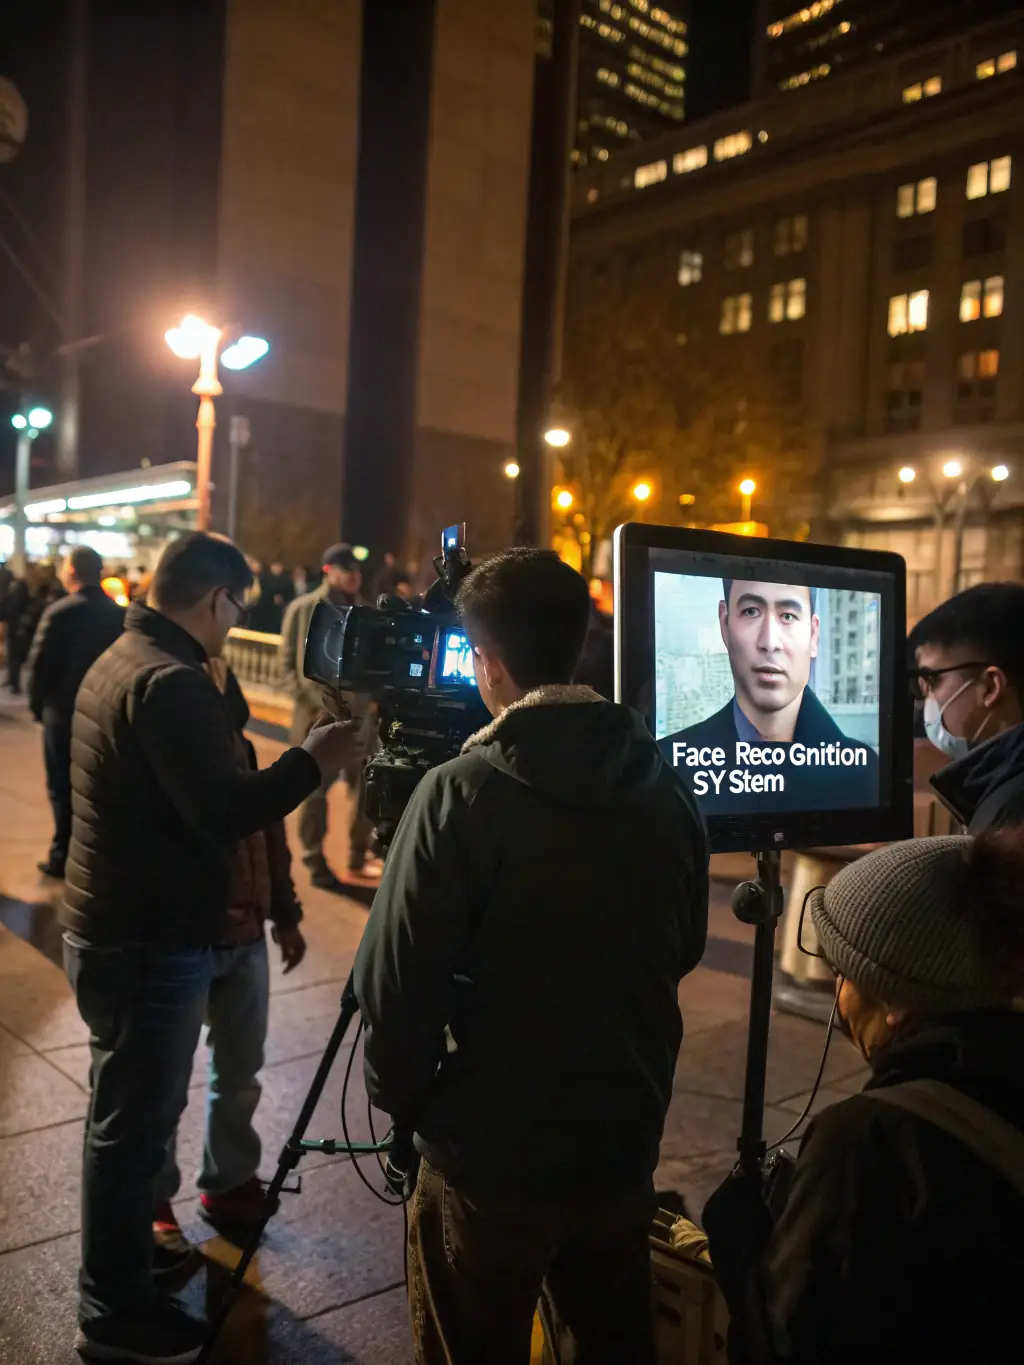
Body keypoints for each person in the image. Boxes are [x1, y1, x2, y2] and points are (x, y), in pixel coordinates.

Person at [354, 547, 709, 1365]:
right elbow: (681, 946)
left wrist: (413, 1112)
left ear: (487, 661)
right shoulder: (664, 783)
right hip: (622, 1144)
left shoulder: (459, 792)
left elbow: (396, 988)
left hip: (488, 1160)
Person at [61, 531, 356, 1364]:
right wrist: (313, 760)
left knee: (123, 1125)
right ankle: (114, 1313)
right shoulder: (171, 683)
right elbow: (226, 810)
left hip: (115, 928)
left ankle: (123, 1278)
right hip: (149, 940)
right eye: (238, 609)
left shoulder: (126, 655)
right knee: (132, 1132)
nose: (236, 625)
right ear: (219, 599)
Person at [704, 831, 1024, 1365]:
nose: (838, 995)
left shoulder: (868, 1141)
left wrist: (743, 1252)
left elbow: (790, 1344)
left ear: (895, 1000)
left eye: (842, 972)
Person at [154, 654, 307, 1267]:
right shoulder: (166, 752)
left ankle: (229, 1182)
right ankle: (151, 1201)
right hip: (185, 937)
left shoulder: (239, 747)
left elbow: (268, 830)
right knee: (161, 1086)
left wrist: (287, 913)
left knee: (240, 1073)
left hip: (245, 936)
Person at [658, 579, 879, 812]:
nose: (770, 642)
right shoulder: (668, 766)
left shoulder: (861, 772)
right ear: (724, 624)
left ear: (813, 635)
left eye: (788, 616)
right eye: (751, 612)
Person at [280, 543, 377, 886]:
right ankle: (313, 859)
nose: (353, 576)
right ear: (328, 571)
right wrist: (314, 704)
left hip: (362, 718)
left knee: (369, 787)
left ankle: (358, 854)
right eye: (345, 569)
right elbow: (288, 665)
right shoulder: (305, 609)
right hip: (316, 718)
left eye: (356, 570)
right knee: (314, 792)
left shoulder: (367, 610)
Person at [26, 547, 125, 880]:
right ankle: (97, 858)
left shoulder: (59, 613)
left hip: (63, 715)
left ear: (70, 572)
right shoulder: (118, 616)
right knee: (101, 787)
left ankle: (63, 855)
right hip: (106, 717)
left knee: (61, 786)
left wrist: (39, 710)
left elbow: (38, 669)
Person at [909, 581, 1024, 832]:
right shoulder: (1001, 790)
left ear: (991, 687)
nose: (925, 699)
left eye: (933, 679)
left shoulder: (1011, 820)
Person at [2, 562, 63, 693]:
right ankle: (14, 681)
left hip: (30, 626)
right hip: (24, 624)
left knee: (23, 656)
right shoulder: (26, 585)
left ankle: (18, 684)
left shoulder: (46, 588)